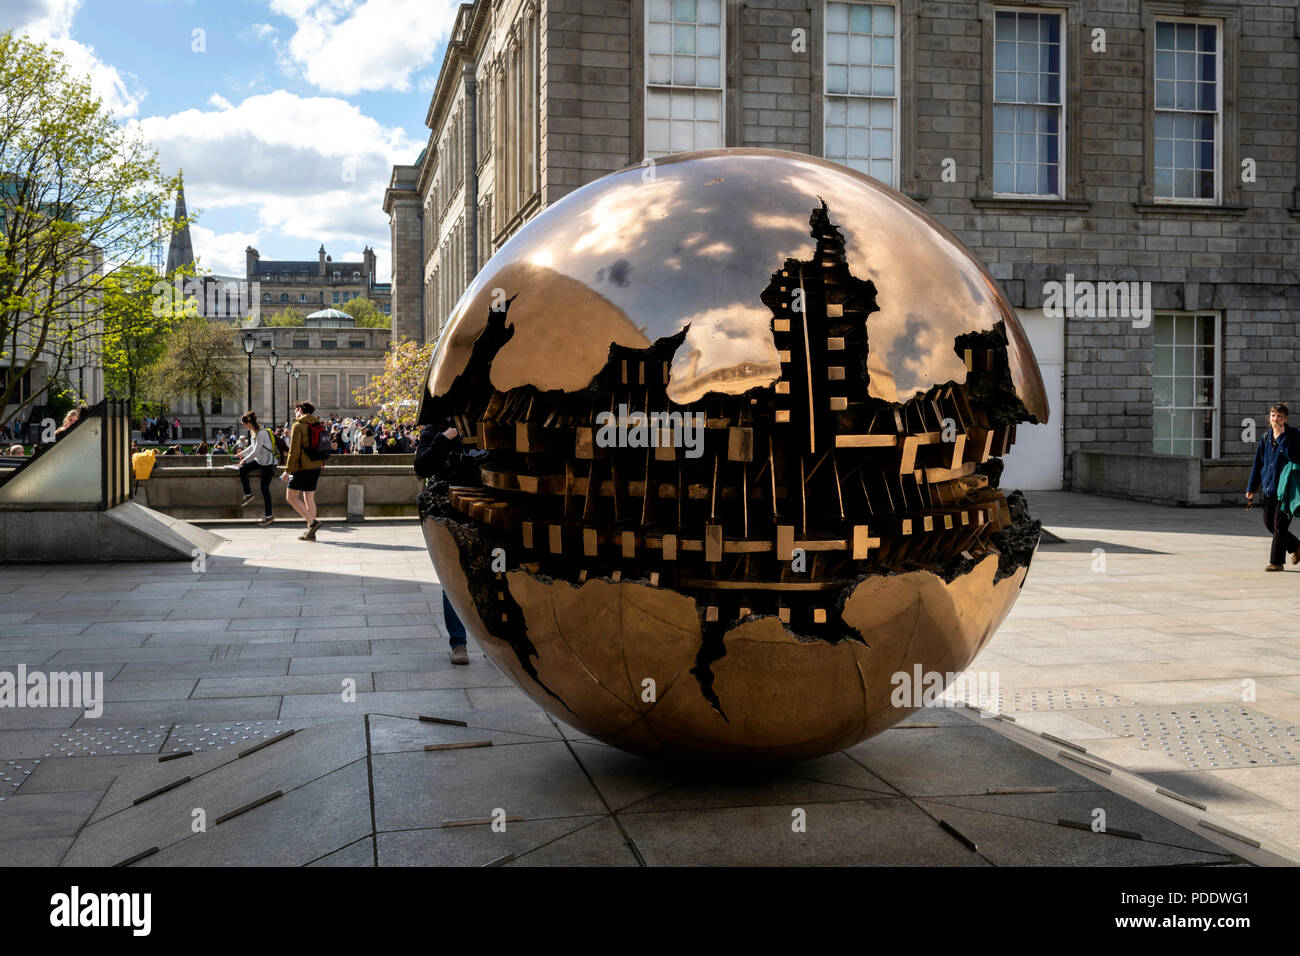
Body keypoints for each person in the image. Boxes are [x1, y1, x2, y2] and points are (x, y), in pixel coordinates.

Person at [414, 418, 471, 665]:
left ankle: (498, 642)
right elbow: (422, 467)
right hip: (449, 512)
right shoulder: (435, 430)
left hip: (486, 510)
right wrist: (445, 439)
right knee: (453, 579)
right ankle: (459, 643)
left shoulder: (484, 426)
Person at [1246, 402, 1300, 571]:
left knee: (1279, 525)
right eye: (1273, 415)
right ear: (1269, 417)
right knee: (1269, 523)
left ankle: (1276, 563)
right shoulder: (1265, 437)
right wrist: (1251, 487)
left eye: (1279, 416)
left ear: (1285, 418)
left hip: (1286, 491)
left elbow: (1295, 456)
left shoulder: (1293, 435)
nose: (1275, 419)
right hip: (1269, 488)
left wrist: (1282, 437)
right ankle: (1297, 547)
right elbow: (1258, 463)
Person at [282, 400, 325, 541]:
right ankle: (311, 532)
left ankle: (312, 523)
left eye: (295, 410)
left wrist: (287, 470)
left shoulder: (299, 425)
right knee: (309, 498)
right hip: (316, 466)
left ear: (299, 409)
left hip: (302, 467)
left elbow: (293, 451)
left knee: (291, 497)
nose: (294, 413)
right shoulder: (317, 423)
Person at [237, 411, 277, 527]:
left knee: (264, 489)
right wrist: (241, 454)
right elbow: (251, 447)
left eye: (243, 424)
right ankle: (248, 494)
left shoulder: (261, 433)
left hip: (268, 464)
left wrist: (244, 459)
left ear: (248, 423)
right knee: (243, 469)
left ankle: (269, 516)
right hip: (260, 461)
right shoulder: (253, 432)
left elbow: (256, 451)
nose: (243, 426)